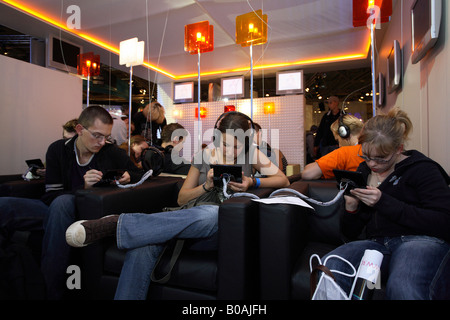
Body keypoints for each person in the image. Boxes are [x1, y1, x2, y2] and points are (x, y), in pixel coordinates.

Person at [65, 111, 290, 300]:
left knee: (211, 214)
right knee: (143, 243)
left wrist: (253, 181)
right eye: (224, 144)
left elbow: (283, 179)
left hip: (218, 231)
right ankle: (127, 227)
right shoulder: (203, 155)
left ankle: (117, 225)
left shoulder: (253, 154)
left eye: (236, 146)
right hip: (184, 224)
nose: (229, 151)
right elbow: (182, 199)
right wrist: (207, 186)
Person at [321, 108, 450, 300]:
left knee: (403, 286)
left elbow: (443, 222)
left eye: (381, 159)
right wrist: (351, 208)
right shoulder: (364, 170)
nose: (372, 164)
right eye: (366, 156)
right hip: (377, 245)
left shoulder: (423, 170)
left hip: (420, 241)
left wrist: (383, 202)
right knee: (330, 268)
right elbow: (350, 233)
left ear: (398, 149)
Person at [39, 105, 142, 299]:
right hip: (53, 208)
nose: (102, 142)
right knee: (6, 205)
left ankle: (52, 292)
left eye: (107, 137)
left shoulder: (110, 152)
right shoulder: (57, 150)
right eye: (97, 136)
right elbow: (50, 196)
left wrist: (130, 176)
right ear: (79, 130)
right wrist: (83, 188)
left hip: (85, 211)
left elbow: (143, 173)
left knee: (62, 205)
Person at [302, 114, 364, 180]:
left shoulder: (345, 153)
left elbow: (307, 173)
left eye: (338, 140)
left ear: (344, 134)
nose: (339, 145)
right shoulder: (371, 148)